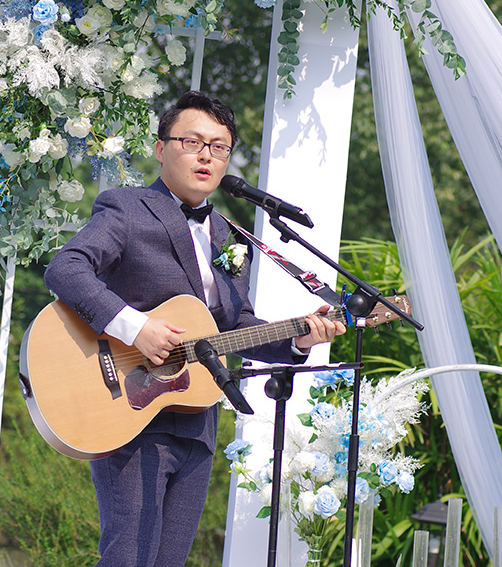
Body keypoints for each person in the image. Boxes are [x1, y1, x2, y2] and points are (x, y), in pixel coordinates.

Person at [43, 90, 346, 567]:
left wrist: (298, 338)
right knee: (129, 559)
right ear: (161, 149)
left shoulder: (229, 234)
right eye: (192, 142)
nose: (207, 155)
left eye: (219, 147)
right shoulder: (127, 208)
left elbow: (234, 326)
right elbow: (66, 269)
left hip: (198, 420)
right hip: (129, 408)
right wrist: (136, 328)